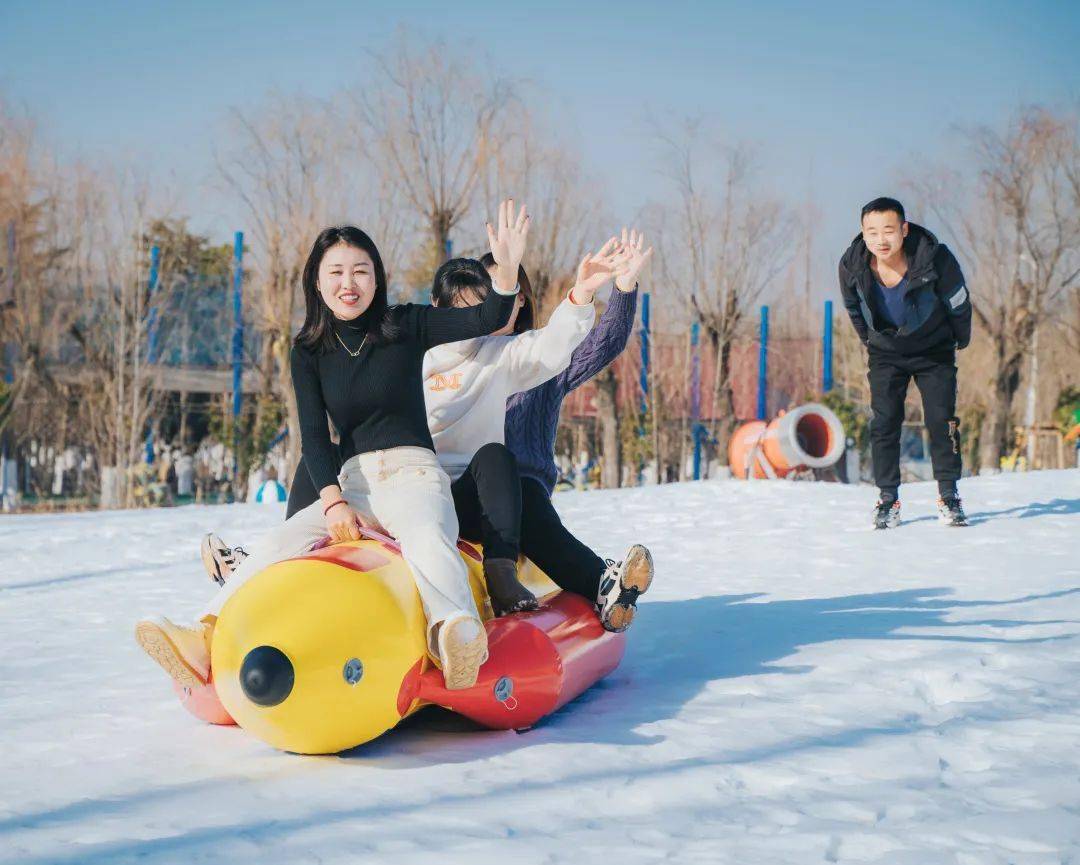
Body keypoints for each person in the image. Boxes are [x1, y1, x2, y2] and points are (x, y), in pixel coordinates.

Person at [137, 200, 526, 693]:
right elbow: (315, 438)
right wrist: (334, 500)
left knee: (427, 535)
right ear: (317, 282)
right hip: (352, 483)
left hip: (413, 475)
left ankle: (456, 634)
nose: (350, 283)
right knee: (279, 543)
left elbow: (485, 318)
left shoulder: (404, 325)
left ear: (377, 279)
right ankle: (204, 633)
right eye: (337, 271)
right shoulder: (308, 351)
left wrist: (507, 269)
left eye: (361, 271)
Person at [207, 228, 657, 632]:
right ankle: (290, 561)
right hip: (385, 487)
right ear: (439, 312)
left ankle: (515, 576)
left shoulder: (497, 355)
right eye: (457, 311)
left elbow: (554, 346)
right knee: (320, 457)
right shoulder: (407, 349)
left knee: (501, 462)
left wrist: (583, 293)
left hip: (467, 495)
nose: (468, 323)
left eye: (478, 312)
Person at [839, 197, 972, 529]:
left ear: (904, 229)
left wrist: (961, 339)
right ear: (863, 233)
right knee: (884, 422)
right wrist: (871, 341)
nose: (881, 240)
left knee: (942, 420)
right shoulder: (851, 265)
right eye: (872, 232)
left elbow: (959, 303)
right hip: (886, 352)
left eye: (888, 230)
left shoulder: (935, 258)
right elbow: (854, 309)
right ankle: (887, 499)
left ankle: (948, 495)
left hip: (934, 350)